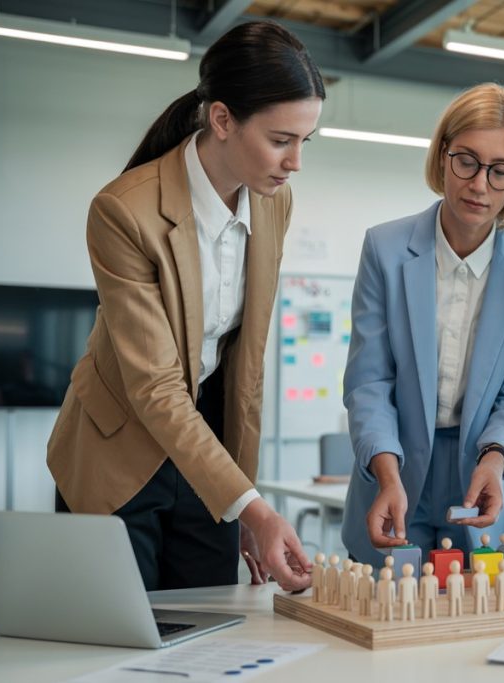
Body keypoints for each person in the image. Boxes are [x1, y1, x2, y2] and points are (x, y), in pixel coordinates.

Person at [46, 21, 327, 592]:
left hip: (207, 453)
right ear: (222, 120)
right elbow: (154, 386)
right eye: (281, 140)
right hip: (118, 455)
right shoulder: (123, 211)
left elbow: (245, 368)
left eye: (305, 141)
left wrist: (241, 495)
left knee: (212, 633)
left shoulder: (275, 202)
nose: (295, 161)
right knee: (118, 647)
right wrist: (255, 508)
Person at [341, 83, 504, 567]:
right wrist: (385, 471)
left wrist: (496, 458)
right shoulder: (385, 249)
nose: (479, 184)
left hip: (484, 477)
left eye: (500, 171)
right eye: (467, 160)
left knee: (480, 625)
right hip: (392, 473)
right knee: (386, 625)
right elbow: (369, 382)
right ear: (443, 156)